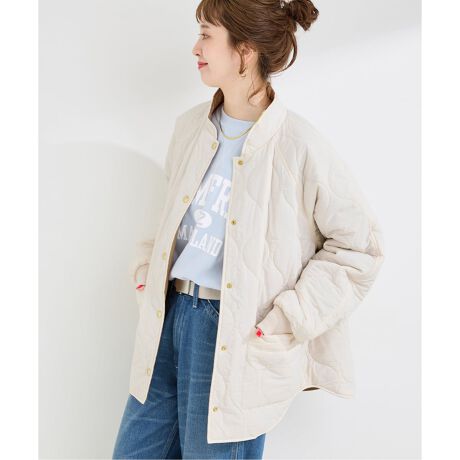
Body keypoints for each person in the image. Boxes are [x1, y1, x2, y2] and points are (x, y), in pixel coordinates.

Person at [113, 0, 384, 458]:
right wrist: (146, 272)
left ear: (245, 51)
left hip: (232, 333)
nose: (195, 48)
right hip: (169, 319)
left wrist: (289, 317)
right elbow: (169, 221)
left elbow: (360, 248)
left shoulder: (299, 145)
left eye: (206, 35)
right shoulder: (190, 128)